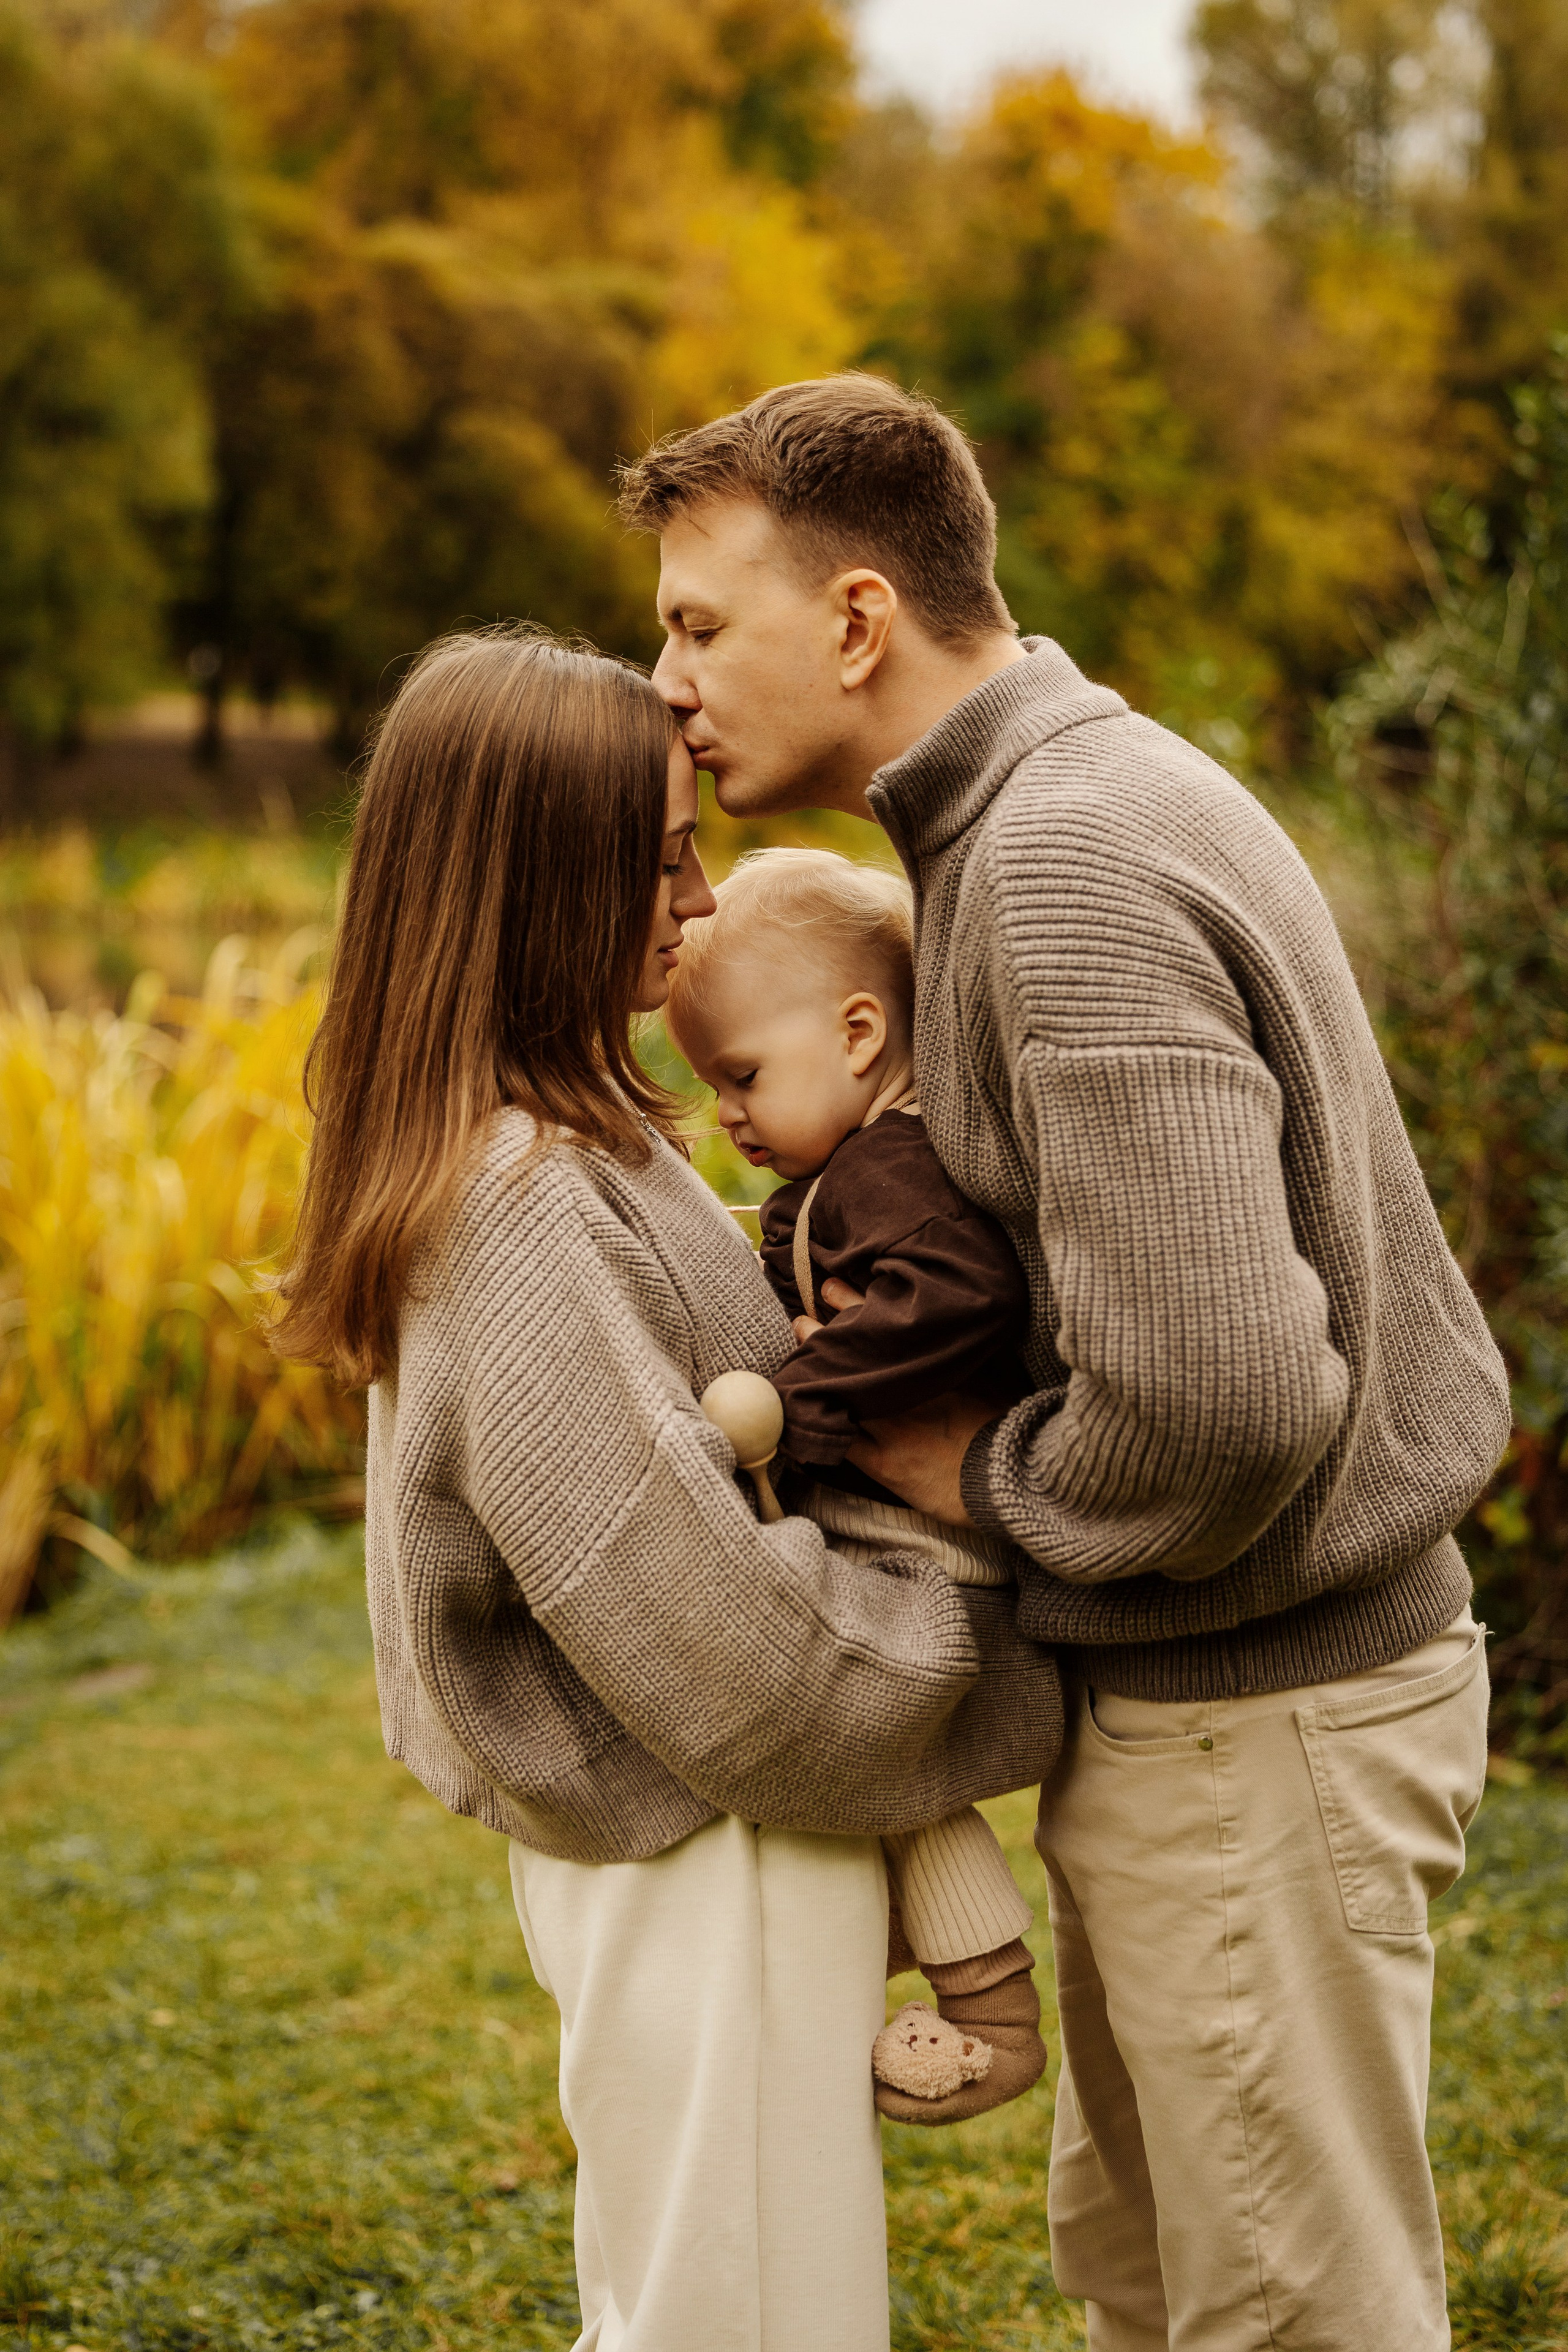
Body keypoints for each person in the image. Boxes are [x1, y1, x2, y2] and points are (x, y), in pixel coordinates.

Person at [620, 373, 1512, 2352]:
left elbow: (1225, 1394)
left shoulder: (1060, 862)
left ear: (858, 620)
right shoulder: (1041, 813)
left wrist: (981, 1481)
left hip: (1260, 1716)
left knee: (1282, 2313)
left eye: (698, 625)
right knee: (1163, 2278)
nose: (667, 684)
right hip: (1216, 1708)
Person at [272, 625, 1063, 2352]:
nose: (700, 905)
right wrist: (1003, 1646)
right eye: (661, 863)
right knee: (745, 2315)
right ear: (538, 886)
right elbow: (727, 1653)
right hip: (714, 1836)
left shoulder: (582, 1145)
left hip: (729, 1829)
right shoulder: (514, 1204)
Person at [666, 844, 1051, 2127]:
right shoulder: (854, 1168)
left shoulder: (896, 1167)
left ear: (858, 1033)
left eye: (742, 1075)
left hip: (926, 1543)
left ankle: (992, 2015)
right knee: (883, 1775)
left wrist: (802, 1400)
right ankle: (940, 1986)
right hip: (906, 1537)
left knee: (871, 1746)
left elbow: (956, 1292)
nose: (726, 1114)